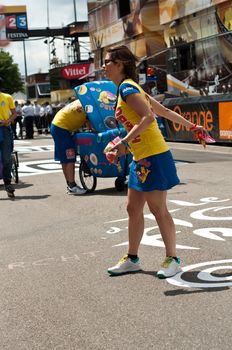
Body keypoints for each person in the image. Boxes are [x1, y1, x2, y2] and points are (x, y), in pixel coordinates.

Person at [103, 45, 203, 278]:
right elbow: (164, 112)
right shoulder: (127, 88)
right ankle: (132, 258)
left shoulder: (127, 88)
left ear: (120, 64)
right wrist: (193, 127)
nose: (104, 66)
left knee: (158, 209)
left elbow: (149, 117)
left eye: (107, 61)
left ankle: (173, 259)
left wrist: (123, 142)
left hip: (154, 155)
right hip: (141, 157)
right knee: (132, 208)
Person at [50, 99, 87, 195]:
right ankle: (72, 186)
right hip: (62, 128)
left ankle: (70, 184)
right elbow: (91, 124)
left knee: (65, 159)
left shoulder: (81, 101)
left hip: (58, 126)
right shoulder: (88, 105)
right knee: (70, 157)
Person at [0, 77, 16, 198]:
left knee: (6, 158)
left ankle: (7, 183)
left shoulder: (7, 97)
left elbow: (15, 113)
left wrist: (8, 121)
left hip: (5, 130)